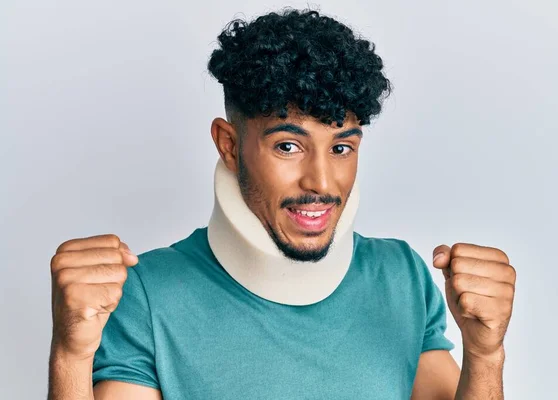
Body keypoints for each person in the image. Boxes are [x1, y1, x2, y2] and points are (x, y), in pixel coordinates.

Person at [48, 8, 516, 399]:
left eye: (341, 147)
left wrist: (485, 354)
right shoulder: (147, 294)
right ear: (228, 145)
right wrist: (70, 357)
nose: (321, 181)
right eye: (288, 146)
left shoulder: (402, 274)